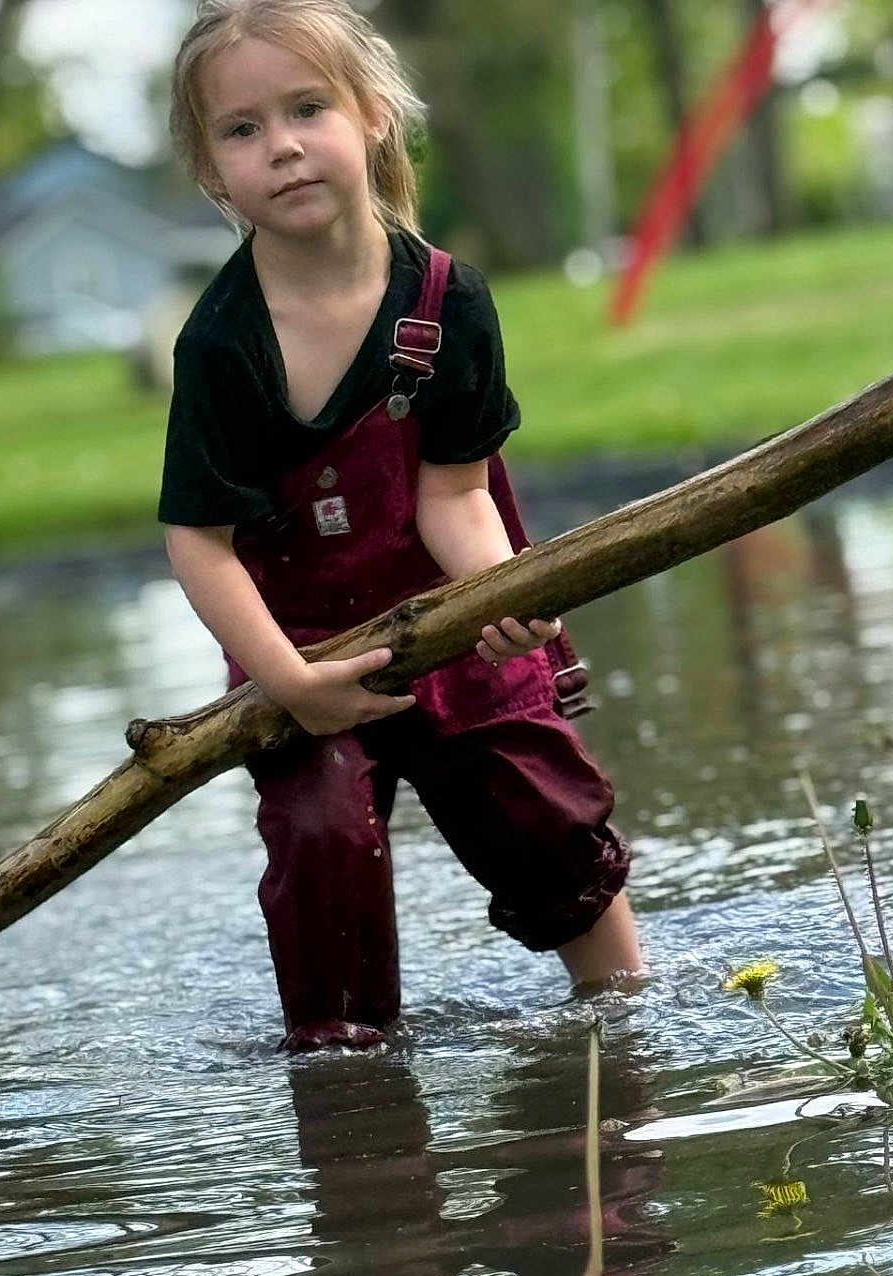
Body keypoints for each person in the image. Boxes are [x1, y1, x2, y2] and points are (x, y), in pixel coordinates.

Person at [161, 0, 642, 1051]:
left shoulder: (447, 300)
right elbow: (197, 543)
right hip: (306, 651)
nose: (281, 146)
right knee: (322, 840)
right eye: (242, 130)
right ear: (210, 169)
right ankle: (350, 1087)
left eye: (307, 108)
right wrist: (291, 686)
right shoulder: (223, 347)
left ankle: (627, 1013)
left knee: (544, 814)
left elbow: (456, 494)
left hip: (452, 621)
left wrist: (509, 602)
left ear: (374, 113)